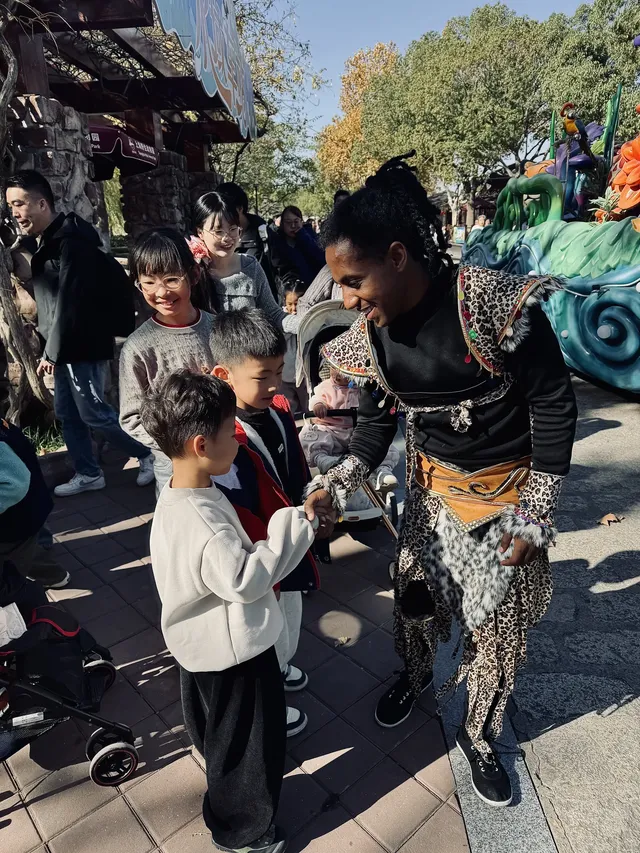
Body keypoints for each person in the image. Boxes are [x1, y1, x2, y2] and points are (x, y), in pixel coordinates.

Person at [303, 152, 577, 808]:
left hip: (509, 499)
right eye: (339, 284)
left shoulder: (491, 304)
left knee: (495, 629)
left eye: (354, 280)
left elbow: (553, 403)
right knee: (416, 603)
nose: (346, 299)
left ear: (398, 257)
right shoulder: (370, 337)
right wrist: (333, 485)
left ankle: (481, 733)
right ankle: (417, 672)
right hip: (430, 497)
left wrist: (535, 516)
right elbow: (372, 433)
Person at [143, 369, 315, 853]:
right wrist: (293, 526)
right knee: (248, 743)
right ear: (202, 445)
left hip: (201, 646)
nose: (237, 440)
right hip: (235, 653)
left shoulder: (177, 496)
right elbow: (244, 580)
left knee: (222, 733)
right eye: (229, 432)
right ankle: (245, 832)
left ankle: (230, 802)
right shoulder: (204, 521)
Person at [5, 170, 154, 497]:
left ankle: (148, 454)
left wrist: (51, 353)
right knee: (68, 414)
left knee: (93, 412)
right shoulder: (50, 240)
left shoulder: (72, 244)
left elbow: (71, 304)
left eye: (19, 204)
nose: (14, 213)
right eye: (11, 206)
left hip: (83, 345)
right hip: (64, 346)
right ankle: (88, 473)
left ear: (42, 204)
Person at [210, 308, 319, 739]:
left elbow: (295, 467)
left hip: (288, 543)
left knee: (290, 613)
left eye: (279, 370)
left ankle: (281, 664)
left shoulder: (277, 410)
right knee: (262, 627)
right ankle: (269, 703)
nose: (275, 384)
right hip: (257, 553)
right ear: (224, 375)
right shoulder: (224, 438)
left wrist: (310, 497)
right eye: (262, 376)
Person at [119, 228, 216, 496]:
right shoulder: (138, 348)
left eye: (172, 279)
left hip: (227, 454)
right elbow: (131, 417)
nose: (161, 292)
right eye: (148, 282)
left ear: (193, 275)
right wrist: (178, 447)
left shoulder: (218, 328)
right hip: (174, 468)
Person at [190, 192, 298, 334]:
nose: (227, 238)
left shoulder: (250, 266)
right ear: (200, 232)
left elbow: (273, 314)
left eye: (232, 229)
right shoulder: (192, 272)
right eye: (218, 231)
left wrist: (309, 324)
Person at [300, 367, 400, 492]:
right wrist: (319, 405)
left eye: (343, 372)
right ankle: (322, 459)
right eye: (334, 369)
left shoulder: (361, 387)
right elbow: (316, 398)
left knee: (383, 443)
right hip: (331, 430)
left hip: (358, 432)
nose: (337, 374)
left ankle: (383, 470)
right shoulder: (325, 386)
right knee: (309, 434)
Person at [0, 418, 69, 588]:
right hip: (29, 505)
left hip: (17, 515)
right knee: (26, 548)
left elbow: (16, 485)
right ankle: (51, 574)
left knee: (17, 554)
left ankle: (43, 581)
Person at [216, 181, 278, 298]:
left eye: (226, 210)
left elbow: (283, 269)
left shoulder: (263, 234)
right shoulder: (215, 238)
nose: (222, 215)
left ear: (240, 208)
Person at [270, 205, 325, 289]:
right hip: (290, 289)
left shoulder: (311, 237)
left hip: (314, 286)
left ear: (301, 222)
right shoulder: (277, 242)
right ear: (282, 224)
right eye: (288, 222)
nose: (293, 226)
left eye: (296, 222)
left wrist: (303, 237)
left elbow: (321, 258)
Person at [281, 281, 308, 415]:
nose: (293, 308)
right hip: (285, 376)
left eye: (297, 304)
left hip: (304, 377)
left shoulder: (308, 319)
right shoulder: (280, 318)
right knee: (290, 411)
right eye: (289, 304)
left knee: (308, 409)